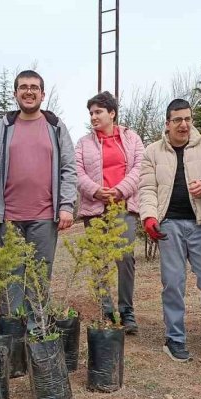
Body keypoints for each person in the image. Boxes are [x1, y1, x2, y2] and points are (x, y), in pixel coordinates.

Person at [0, 70, 77, 323]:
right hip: (8, 217)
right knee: (11, 278)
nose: (29, 91)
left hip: (44, 217)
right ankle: (12, 332)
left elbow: (68, 167)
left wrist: (66, 205)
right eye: (23, 87)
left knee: (39, 277)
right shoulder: (3, 128)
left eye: (34, 87)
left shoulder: (55, 127)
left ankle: (37, 330)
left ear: (42, 94)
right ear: (15, 94)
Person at [139, 98, 201, 363]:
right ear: (167, 124)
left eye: (187, 119)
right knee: (173, 283)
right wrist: (149, 217)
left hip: (200, 225)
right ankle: (174, 338)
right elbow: (147, 189)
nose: (184, 124)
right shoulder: (152, 152)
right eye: (177, 120)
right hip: (169, 226)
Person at [75, 91, 144, 333]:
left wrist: (120, 190)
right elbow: (77, 172)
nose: (93, 117)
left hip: (122, 206)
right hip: (95, 208)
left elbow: (139, 167)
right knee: (99, 262)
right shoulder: (84, 143)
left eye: (98, 112)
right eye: (91, 113)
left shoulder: (131, 138)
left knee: (124, 258)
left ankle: (127, 311)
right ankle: (106, 310)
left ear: (111, 113)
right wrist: (95, 191)